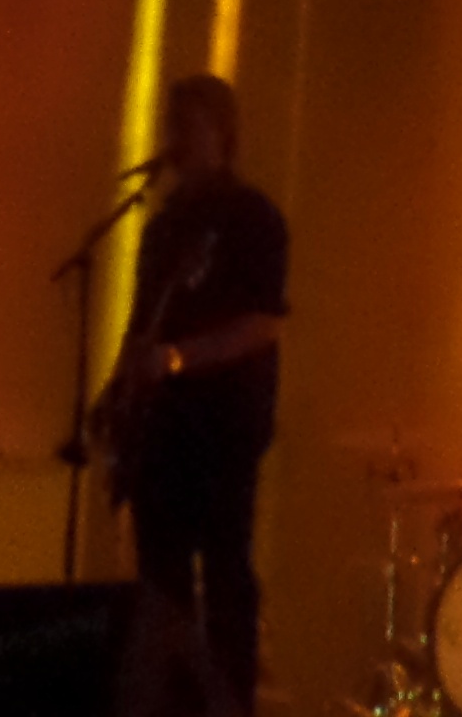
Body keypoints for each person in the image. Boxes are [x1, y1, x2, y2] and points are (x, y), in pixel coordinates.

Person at [104, 74, 289, 713]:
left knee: (226, 569)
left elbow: (263, 323)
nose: (178, 136)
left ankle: (230, 701)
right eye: (173, 123)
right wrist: (117, 395)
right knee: (161, 579)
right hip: (162, 431)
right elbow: (141, 326)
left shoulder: (255, 217)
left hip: (225, 426)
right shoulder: (162, 228)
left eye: (192, 123)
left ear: (222, 131)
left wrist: (180, 359)